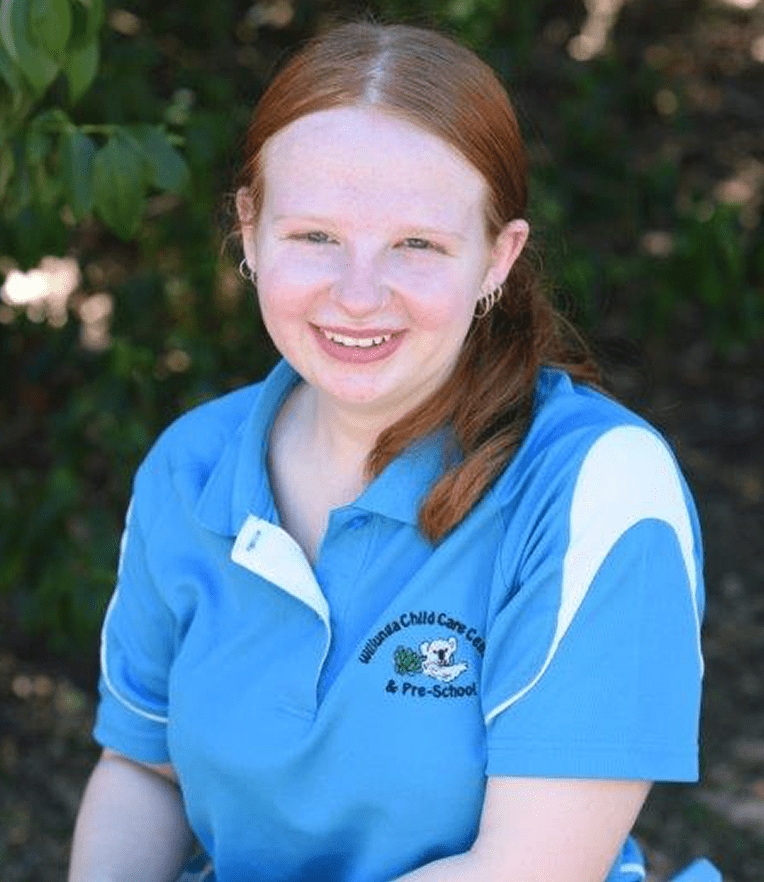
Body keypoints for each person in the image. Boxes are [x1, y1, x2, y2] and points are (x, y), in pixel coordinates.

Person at [68, 20, 716, 882]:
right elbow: (142, 771)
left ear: (497, 257)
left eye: (417, 244)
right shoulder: (192, 466)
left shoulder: (597, 485)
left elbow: (526, 870)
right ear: (251, 233)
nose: (360, 294)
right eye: (316, 237)